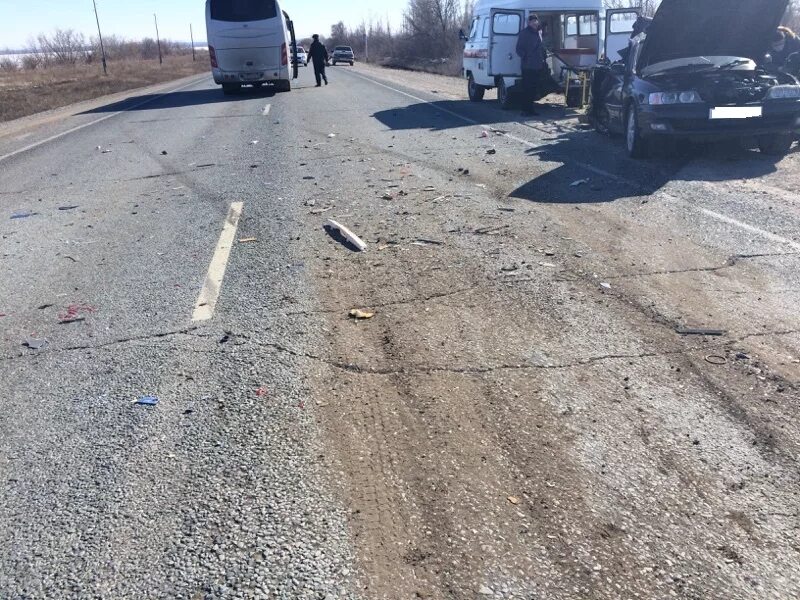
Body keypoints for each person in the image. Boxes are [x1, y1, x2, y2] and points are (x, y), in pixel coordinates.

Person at [515, 14, 546, 116]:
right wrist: (525, 56)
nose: (534, 23)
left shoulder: (539, 33)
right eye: (532, 21)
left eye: (536, 21)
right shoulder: (524, 33)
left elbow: (541, 47)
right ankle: (524, 110)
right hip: (527, 66)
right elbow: (518, 48)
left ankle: (531, 109)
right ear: (529, 22)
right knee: (526, 88)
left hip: (537, 65)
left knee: (533, 89)